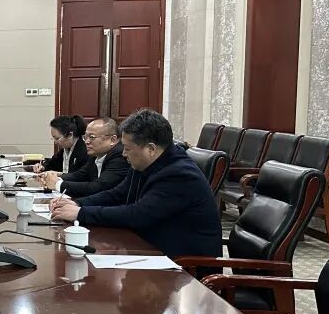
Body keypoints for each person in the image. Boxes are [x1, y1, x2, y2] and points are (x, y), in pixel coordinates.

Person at [50, 109, 222, 259]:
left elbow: (138, 215)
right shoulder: (145, 162)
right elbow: (118, 194)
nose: (123, 154)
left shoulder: (179, 174)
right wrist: (78, 203)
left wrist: (81, 213)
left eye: (127, 148)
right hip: (149, 247)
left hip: (184, 265)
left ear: (151, 149)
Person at [39, 117, 128, 198]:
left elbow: (98, 187)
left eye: (92, 137)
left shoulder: (120, 156)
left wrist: (58, 184)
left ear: (112, 140)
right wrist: (56, 177)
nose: (86, 142)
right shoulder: (95, 155)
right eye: (85, 137)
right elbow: (80, 175)